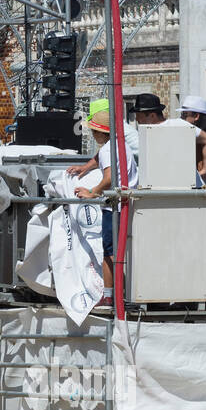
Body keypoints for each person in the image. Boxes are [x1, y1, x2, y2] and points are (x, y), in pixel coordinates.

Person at [76, 109, 138, 308]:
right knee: (120, 250)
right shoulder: (120, 146)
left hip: (115, 207)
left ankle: (110, 296)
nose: (93, 135)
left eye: (95, 131)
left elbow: (109, 177)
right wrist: (86, 167)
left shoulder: (106, 150)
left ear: (102, 133)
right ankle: (121, 293)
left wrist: (92, 192)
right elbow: (100, 159)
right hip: (127, 203)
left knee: (109, 252)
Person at [178, 96, 206, 188]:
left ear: (196, 116)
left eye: (184, 114)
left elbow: (201, 173)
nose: (181, 118)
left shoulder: (202, 144)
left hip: (202, 192)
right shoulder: (203, 140)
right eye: (182, 114)